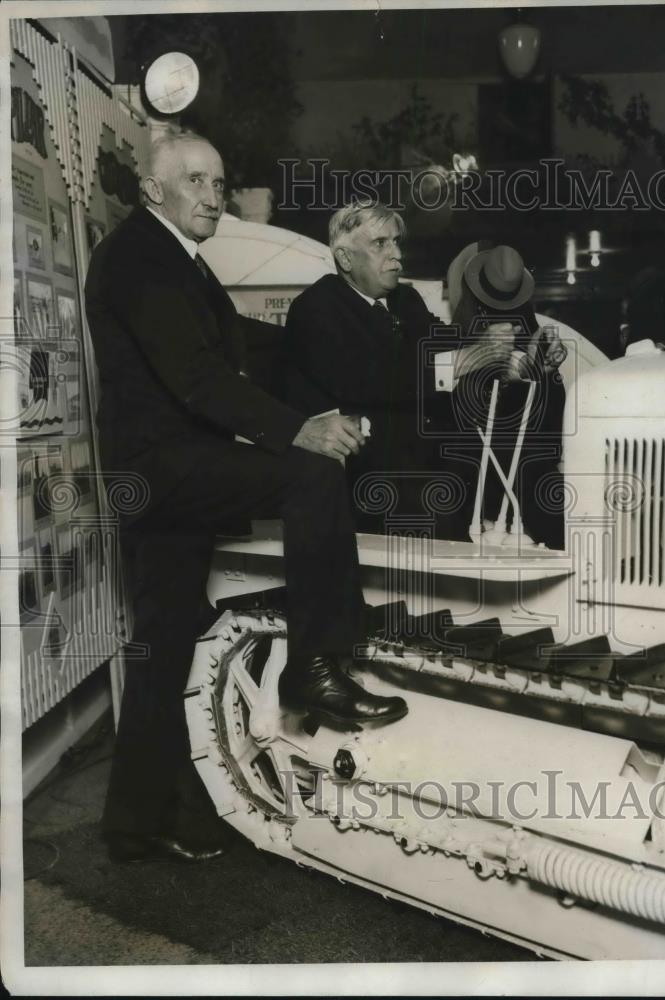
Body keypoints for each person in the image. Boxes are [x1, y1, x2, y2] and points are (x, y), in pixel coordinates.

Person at [85, 130, 406, 866]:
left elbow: (238, 358)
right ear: (152, 190)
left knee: (163, 641)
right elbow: (197, 377)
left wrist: (309, 378)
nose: (211, 194)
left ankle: (134, 823)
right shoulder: (139, 256)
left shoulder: (178, 261)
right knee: (313, 472)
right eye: (194, 180)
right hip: (162, 469)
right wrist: (300, 430)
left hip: (167, 472)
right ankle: (315, 666)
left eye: (219, 181)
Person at [284, 200, 516, 535]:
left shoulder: (405, 300)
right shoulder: (315, 309)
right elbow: (367, 380)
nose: (397, 255)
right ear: (345, 258)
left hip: (417, 463)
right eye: (380, 244)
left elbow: (446, 340)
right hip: (358, 477)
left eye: (396, 242)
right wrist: (467, 359)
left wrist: (514, 359)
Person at [447, 242, 568, 549]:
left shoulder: (520, 326)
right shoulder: (464, 330)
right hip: (511, 492)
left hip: (502, 495)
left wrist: (537, 369)